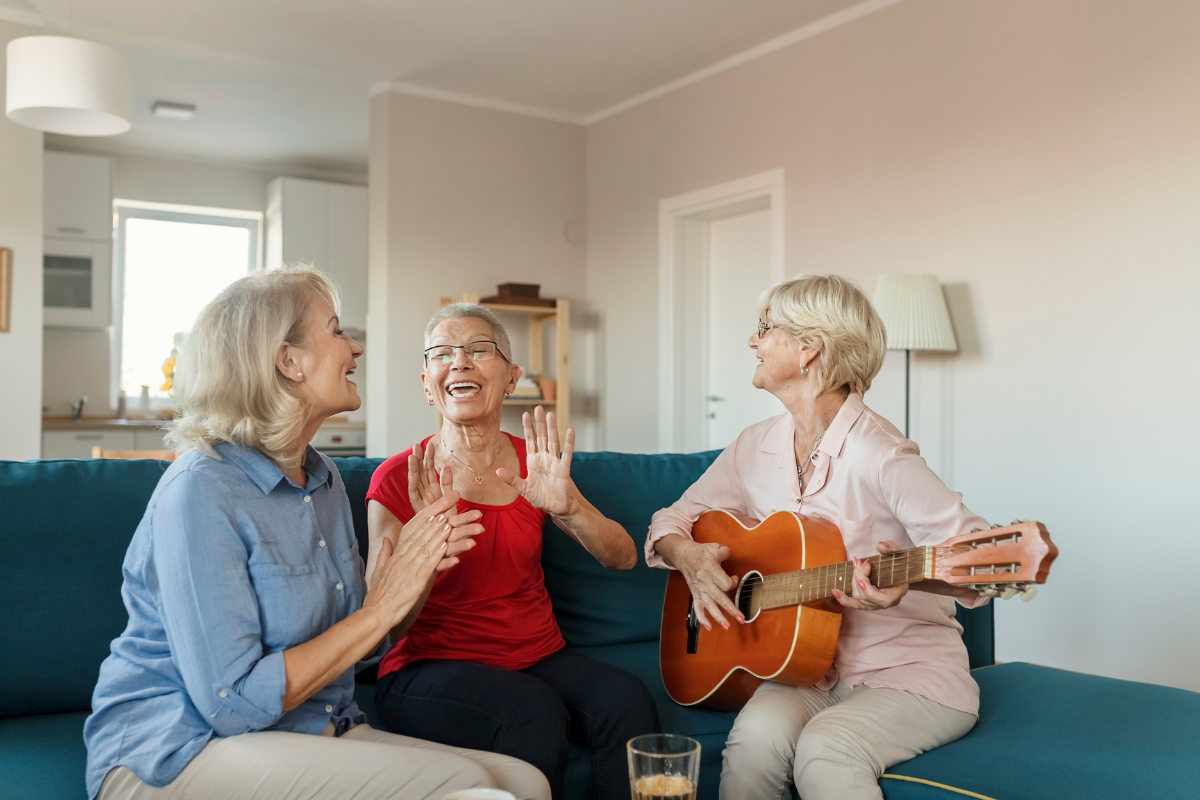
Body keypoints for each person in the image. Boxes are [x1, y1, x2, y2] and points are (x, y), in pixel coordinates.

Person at [84, 267, 550, 800]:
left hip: (313, 727)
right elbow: (231, 701)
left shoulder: (323, 479)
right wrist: (381, 607)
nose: (355, 347)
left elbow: (367, 650)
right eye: (335, 330)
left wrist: (411, 575)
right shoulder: (200, 489)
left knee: (524, 783)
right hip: (180, 749)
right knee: (468, 786)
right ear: (289, 361)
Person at [646, 275, 989, 800]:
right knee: (751, 746)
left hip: (909, 673)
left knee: (827, 748)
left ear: (809, 349)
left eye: (764, 329)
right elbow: (668, 523)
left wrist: (911, 583)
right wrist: (688, 556)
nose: (752, 341)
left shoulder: (881, 453)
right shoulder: (753, 446)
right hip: (808, 672)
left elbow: (983, 559)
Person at [366, 303, 660, 800]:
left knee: (625, 699)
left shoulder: (534, 464)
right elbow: (385, 626)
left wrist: (568, 509)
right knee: (532, 711)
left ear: (511, 377)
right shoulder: (400, 477)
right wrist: (426, 551)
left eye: (479, 350)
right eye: (442, 354)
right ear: (426, 381)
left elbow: (623, 557)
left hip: (539, 656)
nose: (459, 362)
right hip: (428, 667)